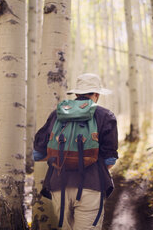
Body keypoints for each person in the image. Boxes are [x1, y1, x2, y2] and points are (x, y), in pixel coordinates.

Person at [33, 73, 118, 229]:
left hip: (59, 186)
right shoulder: (105, 116)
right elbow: (109, 160)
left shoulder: (57, 114)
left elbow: (38, 154)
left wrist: (62, 156)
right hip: (91, 185)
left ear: (77, 94)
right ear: (97, 95)